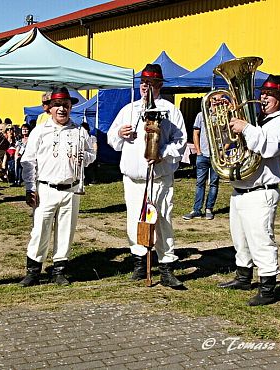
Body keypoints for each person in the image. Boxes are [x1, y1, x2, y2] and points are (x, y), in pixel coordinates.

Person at [107, 64, 187, 289]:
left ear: (159, 85)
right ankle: (140, 263)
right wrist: (120, 135)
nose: (145, 86)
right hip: (133, 179)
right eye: (143, 82)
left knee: (162, 220)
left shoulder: (170, 111)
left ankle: (166, 265)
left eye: (150, 83)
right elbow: (112, 140)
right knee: (135, 220)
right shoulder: (128, 109)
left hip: (160, 177)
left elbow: (180, 143)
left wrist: (163, 153)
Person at [218, 74, 280, 306]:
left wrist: (246, 127)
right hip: (240, 190)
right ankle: (243, 276)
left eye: (269, 95)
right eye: (262, 94)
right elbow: (234, 143)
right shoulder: (257, 122)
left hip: (261, 191)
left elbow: (269, 148)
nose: (264, 98)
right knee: (240, 239)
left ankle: (268, 288)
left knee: (261, 240)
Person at [19, 87, 95, 287]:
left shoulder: (79, 131)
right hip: (45, 188)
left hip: (71, 188)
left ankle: (59, 270)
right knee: (40, 230)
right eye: (57, 105)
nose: (62, 109)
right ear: (49, 108)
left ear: (71, 108)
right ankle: (33, 271)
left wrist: (84, 157)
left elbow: (91, 155)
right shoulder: (40, 131)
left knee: (65, 230)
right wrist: (30, 187)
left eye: (66, 106)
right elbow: (28, 161)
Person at [182, 94, 227, 221]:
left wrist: (223, 151)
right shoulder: (201, 115)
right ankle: (196, 210)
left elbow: (230, 135)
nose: (216, 102)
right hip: (203, 154)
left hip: (216, 156)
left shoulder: (224, 116)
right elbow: (196, 133)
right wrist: (198, 150)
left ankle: (209, 209)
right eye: (214, 99)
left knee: (213, 183)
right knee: (199, 183)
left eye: (219, 99)